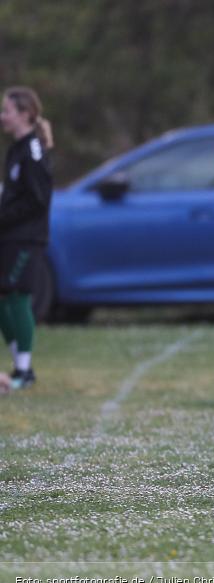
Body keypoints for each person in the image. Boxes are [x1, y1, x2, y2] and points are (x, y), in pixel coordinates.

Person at [0, 87, 54, 389]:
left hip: (26, 238)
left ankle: (24, 372)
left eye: (7, 111)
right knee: (3, 298)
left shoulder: (33, 151)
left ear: (25, 114)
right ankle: (19, 366)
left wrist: (4, 215)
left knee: (18, 295)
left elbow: (38, 200)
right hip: (9, 236)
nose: (2, 117)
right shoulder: (16, 149)